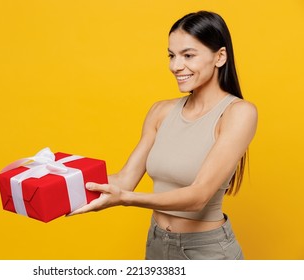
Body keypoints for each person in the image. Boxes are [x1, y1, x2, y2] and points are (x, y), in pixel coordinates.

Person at [70, 11, 258, 260]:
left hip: (207, 252)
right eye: (172, 55)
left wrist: (125, 199)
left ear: (220, 56)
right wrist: (62, 181)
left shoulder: (238, 113)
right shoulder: (161, 111)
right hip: (157, 244)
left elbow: (199, 196)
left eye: (188, 55)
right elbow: (124, 179)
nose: (175, 66)